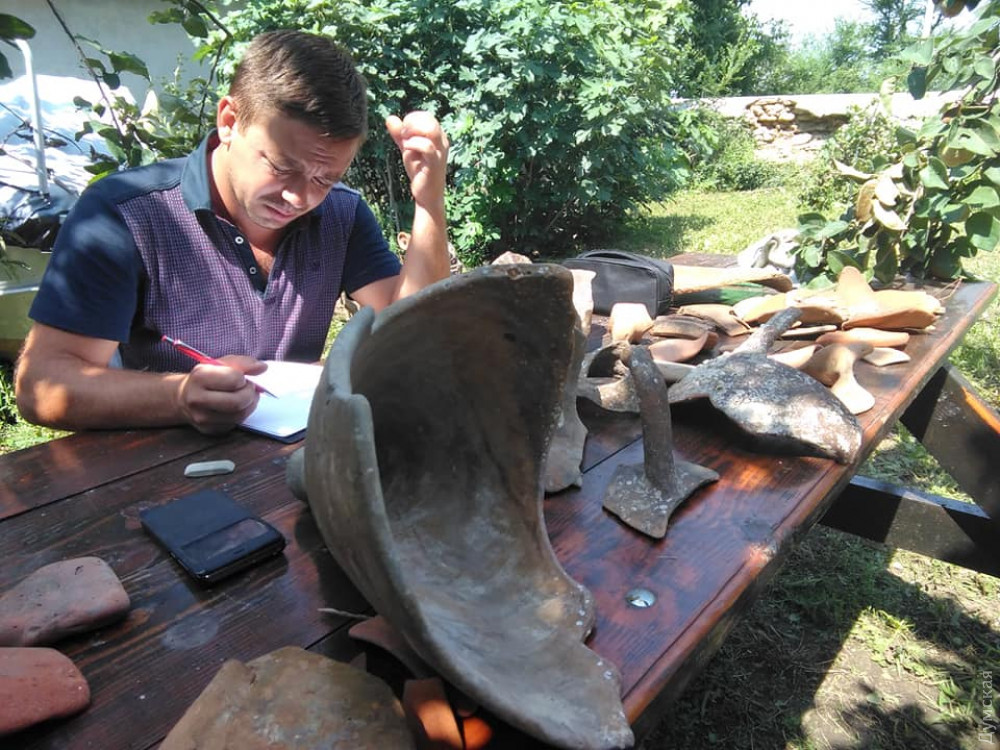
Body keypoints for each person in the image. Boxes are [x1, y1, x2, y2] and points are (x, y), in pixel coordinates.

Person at [15, 30, 450, 435]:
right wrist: (178, 397)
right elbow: (42, 384)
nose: (299, 197)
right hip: (160, 468)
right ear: (229, 120)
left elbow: (410, 335)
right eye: (282, 167)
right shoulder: (125, 215)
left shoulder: (341, 214)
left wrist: (429, 201)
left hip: (298, 456)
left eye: (324, 178)